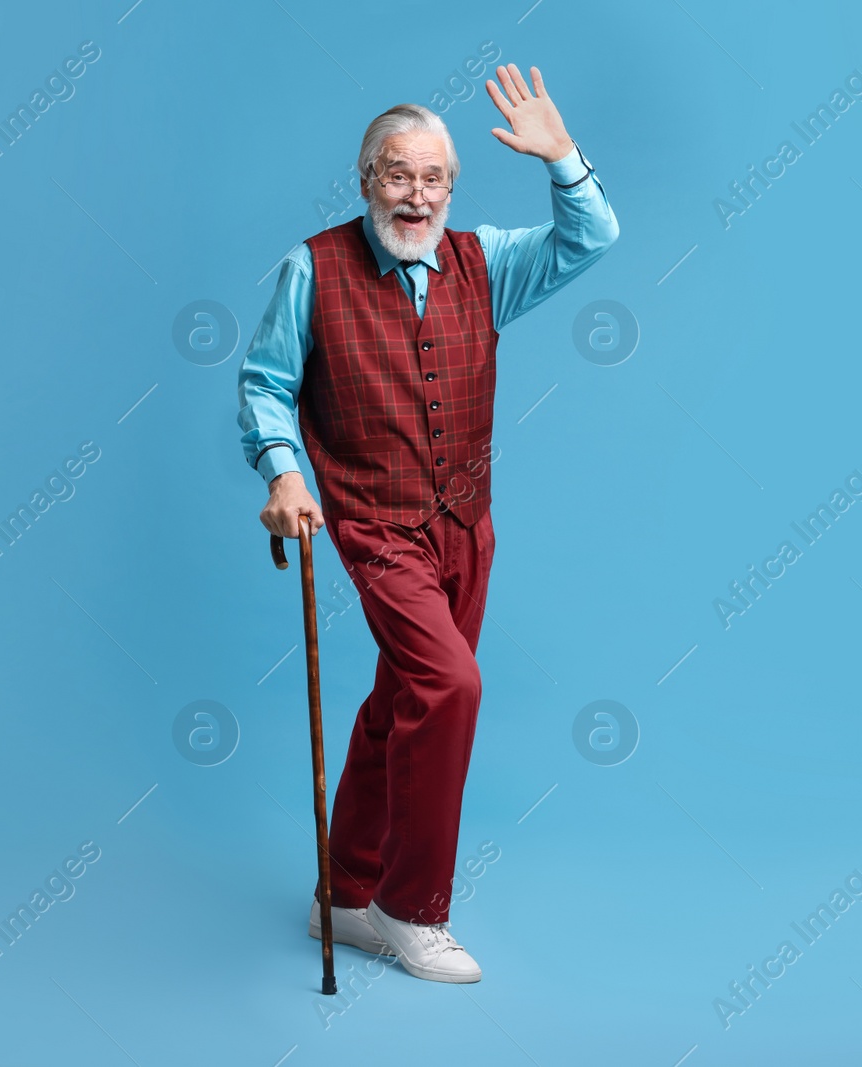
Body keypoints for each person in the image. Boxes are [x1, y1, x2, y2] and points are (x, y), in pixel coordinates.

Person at [235, 64, 619, 983]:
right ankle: (414, 909)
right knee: (449, 686)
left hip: (466, 525)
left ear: (453, 185)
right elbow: (265, 384)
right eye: (397, 175)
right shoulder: (313, 267)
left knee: (403, 699)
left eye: (434, 178)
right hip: (372, 522)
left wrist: (561, 154)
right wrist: (285, 475)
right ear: (366, 178)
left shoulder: (486, 263)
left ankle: (345, 889)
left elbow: (593, 235)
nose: (417, 196)